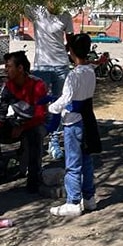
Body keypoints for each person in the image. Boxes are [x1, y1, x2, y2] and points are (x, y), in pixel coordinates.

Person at [48, 33, 100, 218]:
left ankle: (73, 202)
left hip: (73, 121)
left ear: (71, 51)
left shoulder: (73, 75)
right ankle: (89, 198)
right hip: (87, 119)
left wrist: (52, 108)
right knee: (86, 161)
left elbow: (67, 98)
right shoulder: (90, 70)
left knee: (72, 163)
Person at [24, 0, 73, 157]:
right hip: (41, 67)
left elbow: (70, 42)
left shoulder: (66, 16)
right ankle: (35, 140)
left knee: (59, 104)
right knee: (37, 105)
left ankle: (54, 142)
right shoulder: (36, 11)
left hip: (61, 66)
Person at [0, 50, 48, 192]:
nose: (6, 70)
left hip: (37, 123)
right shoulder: (8, 86)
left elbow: (40, 115)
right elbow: (2, 107)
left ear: (20, 68)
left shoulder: (37, 85)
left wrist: (22, 128)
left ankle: (34, 179)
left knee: (35, 135)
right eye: (5, 66)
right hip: (19, 121)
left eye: (8, 66)